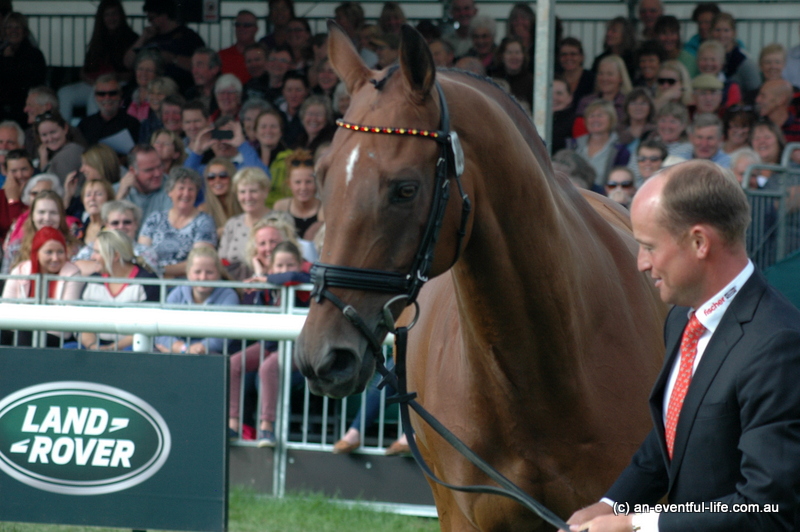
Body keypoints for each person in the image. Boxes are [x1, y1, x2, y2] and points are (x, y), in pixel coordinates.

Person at [567, 159, 800, 532]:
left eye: (648, 246)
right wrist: (610, 505)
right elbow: (674, 435)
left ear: (699, 242)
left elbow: (764, 509)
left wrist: (637, 525)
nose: (641, 263)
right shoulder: (680, 318)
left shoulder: (778, 346)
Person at [229, 239, 310, 447]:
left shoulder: (303, 282)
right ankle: (233, 423)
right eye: (279, 265)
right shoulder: (267, 284)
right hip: (270, 345)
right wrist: (260, 280)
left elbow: (293, 277)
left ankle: (267, 428)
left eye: (289, 264)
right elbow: (254, 307)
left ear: (300, 263)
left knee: (267, 369)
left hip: (297, 347)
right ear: (271, 266)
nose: (285, 269)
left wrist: (265, 276)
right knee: (234, 364)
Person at [57, 0, 139, 123]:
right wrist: (87, 78)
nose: (111, 18)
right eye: (107, 15)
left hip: (117, 84)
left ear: (121, 16)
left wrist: (114, 77)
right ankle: (65, 132)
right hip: (93, 83)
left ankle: (95, 135)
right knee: (64, 93)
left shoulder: (131, 38)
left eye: (114, 14)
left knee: (95, 95)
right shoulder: (98, 37)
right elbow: (85, 69)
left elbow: (132, 74)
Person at [1, 226, 83, 347]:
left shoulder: (72, 273)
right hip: (20, 329)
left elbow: (67, 315)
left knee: (25, 334)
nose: (55, 258)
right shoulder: (20, 270)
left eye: (60, 252)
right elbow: (6, 309)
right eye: (49, 252)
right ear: (37, 253)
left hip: (56, 333)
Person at [78, 229, 159, 350]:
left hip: (132, 347)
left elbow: (148, 327)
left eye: (97, 252)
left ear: (116, 255)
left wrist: (113, 348)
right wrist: (93, 346)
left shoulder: (147, 281)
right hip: (96, 346)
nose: (92, 257)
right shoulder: (93, 280)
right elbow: (81, 324)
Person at [154, 246, 239, 354]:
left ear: (218, 273)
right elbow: (161, 332)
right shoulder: (177, 294)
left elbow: (225, 335)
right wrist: (183, 348)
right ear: (188, 273)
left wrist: (199, 348)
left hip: (213, 356)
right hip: (179, 351)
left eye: (209, 272)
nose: (203, 277)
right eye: (197, 272)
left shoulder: (228, 295)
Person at [138, 166, 216, 278]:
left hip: (187, 282)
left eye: (191, 189)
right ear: (170, 192)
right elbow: (142, 256)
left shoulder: (204, 221)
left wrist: (160, 271)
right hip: (153, 281)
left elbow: (200, 262)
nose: (186, 194)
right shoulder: (155, 218)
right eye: (181, 188)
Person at [123, 0, 205, 92]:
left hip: (177, 88)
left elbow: (201, 66)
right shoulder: (150, 37)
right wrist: (143, 37)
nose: (150, 22)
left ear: (164, 16)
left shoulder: (188, 36)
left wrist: (173, 58)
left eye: (152, 18)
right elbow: (128, 63)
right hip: (147, 89)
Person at [218, 167, 271, 280]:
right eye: (242, 192)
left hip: (266, 287)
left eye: (253, 191)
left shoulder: (279, 220)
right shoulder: (232, 223)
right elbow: (221, 261)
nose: (247, 197)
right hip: (233, 287)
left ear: (265, 192)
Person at [568, 100, 630, 188]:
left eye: (600, 115)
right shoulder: (573, 146)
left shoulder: (620, 151)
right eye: (591, 116)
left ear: (611, 119)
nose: (595, 120)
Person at [0, 12, 46, 127]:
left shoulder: (34, 54)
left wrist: (8, 61)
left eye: (17, 27)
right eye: (9, 27)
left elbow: (22, 82)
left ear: (24, 31)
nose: (13, 31)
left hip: (22, 105)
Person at [78, 75, 141, 151]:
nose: (107, 97)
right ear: (95, 96)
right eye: (101, 94)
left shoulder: (133, 124)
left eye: (112, 93)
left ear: (120, 95)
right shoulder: (85, 124)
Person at [273, 149, 322, 240]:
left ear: (316, 183)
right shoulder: (280, 207)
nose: (303, 187)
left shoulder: (323, 209)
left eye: (308, 182)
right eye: (298, 182)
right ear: (289, 184)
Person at [116, 144, 171, 223]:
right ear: (132, 171)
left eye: (159, 167)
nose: (157, 173)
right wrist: (119, 197)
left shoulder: (173, 187)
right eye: (149, 170)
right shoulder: (116, 191)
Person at [576, 55, 632, 126]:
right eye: (601, 73)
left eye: (610, 74)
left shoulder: (630, 104)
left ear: (621, 78)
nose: (604, 78)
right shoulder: (586, 102)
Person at [712, 12, 760, 94]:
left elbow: (755, 90)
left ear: (734, 33)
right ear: (711, 32)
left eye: (726, 30)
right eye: (718, 30)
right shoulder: (707, 56)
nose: (721, 34)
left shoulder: (744, 60)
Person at [254, 109, 292, 207]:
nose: (268, 131)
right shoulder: (249, 157)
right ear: (255, 132)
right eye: (263, 127)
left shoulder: (291, 158)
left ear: (281, 132)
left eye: (273, 127)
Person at [71, 179, 115, 262]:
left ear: (109, 199)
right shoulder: (78, 229)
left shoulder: (114, 228)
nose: (92, 198)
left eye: (98, 194)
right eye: (88, 195)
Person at [35, 111, 83, 183]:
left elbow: (48, 185)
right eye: (44, 135)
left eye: (53, 132)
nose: (50, 139)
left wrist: (44, 161)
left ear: (65, 128)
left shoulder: (72, 151)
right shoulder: (50, 153)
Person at [199, 157, 241, 239]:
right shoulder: (203, 210)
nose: (217, 180)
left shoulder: (243, 204)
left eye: (223, 176)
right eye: (211, 177)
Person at [490, 37, 533, 110]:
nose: (514, 57)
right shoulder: (493, 79)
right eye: (509, 52)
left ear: (523, 56)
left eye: (517, 52)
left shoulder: (531, 82)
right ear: (502, 56)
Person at [0, 150, 34, 241]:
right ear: (6, 172)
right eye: (14, 171)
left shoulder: (38, 193)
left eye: (24, 169)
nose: (20, 175)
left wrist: (13, 200)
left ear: (32, 170)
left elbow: (24, 230)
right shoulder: (1, 196)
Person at [219, 10, 259, 84]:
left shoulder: (263, 55)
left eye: (246, 25)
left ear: (256, 29)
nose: (241, 28)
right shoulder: (221, 56)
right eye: (238, 25)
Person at [558, 38, 595, 114]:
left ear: (581, 57)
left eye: (573, 54)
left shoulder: (592, 78)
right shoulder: (555, 78)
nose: (568, 58)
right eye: (564, 54)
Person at [125, 48, 163, 122]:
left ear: (158, 74)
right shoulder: (128, 94)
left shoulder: (161, 97)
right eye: (140, 69)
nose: (144, 74)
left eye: (149, 70)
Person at [617, 88, 656, 155]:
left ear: (650, 108)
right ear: (627, 107)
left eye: (643, 103)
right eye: (633, 103)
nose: (638, 107)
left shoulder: (656, 132)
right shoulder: (618, 131)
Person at [551, 76, 575, 154]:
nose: (553, 97)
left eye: (559, 93)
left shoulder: (576, 122)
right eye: (549, 92)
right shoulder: (533, 119)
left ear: (569, 98)